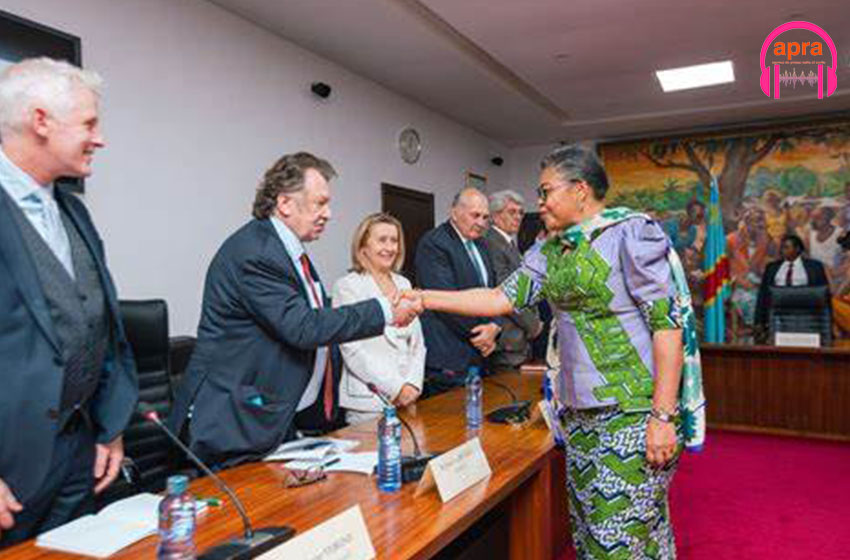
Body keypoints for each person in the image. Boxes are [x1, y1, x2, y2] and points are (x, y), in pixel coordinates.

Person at [400, 145, 705, 559]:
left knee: (617, 539)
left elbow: (666, 327)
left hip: (632, 411)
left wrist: (662, 416)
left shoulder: (631, 233)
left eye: (546, 192)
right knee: (591, 536)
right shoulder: (550, 250)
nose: (539, 204)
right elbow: (496, 298)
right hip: (577, 415)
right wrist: (423, 299)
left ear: (580, 190)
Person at [168, 153, 419, 469]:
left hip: (270, 416)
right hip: (235, 420)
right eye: (320, 203)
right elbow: (303, 327)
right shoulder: (257, 252)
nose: (328, 214)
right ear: (285, 204)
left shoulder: (287, 251)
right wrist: (384, 310)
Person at [0, 58, 137, 546]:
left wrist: (111, 427)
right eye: (89, 124)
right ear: (41, 121)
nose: (99, 139)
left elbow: (101, 328)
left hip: (78, 458)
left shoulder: (73, 211)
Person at [332, 214, 426, 424]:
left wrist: (412, 384)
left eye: (394, 241)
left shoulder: (404, 283)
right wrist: (396, 388)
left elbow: (418, 344)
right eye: (382, 240)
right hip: (369, 402)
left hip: (409, 398)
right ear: (363, 244)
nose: (390, 247)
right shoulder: (348, 286)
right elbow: (351, 349)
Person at [414, 187, 503, 397]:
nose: (481, 223)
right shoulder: (434, 243)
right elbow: (444, 301)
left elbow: (495, 292)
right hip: (449, 357)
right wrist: (482, 335)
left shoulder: (482, 245)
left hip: (480, 355)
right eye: (475, 215)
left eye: (485, 217)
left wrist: (494, 326)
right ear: (454, 212)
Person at [484, 190, 541, 369]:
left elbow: (525, 287)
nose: (518, 217)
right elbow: (507, 292)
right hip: (507, 338)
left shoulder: (509, 243)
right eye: (512, 212)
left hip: (519, 337)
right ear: (494, 215)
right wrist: (533, 325)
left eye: (520, 212)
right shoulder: (491, 242)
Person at [754, 233, 830, 338]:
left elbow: (823, 296)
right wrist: (759, 322)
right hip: (777, 319)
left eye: (786, 247)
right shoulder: (772, 268)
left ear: (797, 249)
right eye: (781, 248)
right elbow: (763, 296)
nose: (782, 251)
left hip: (806, 319)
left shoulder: (814, 267)